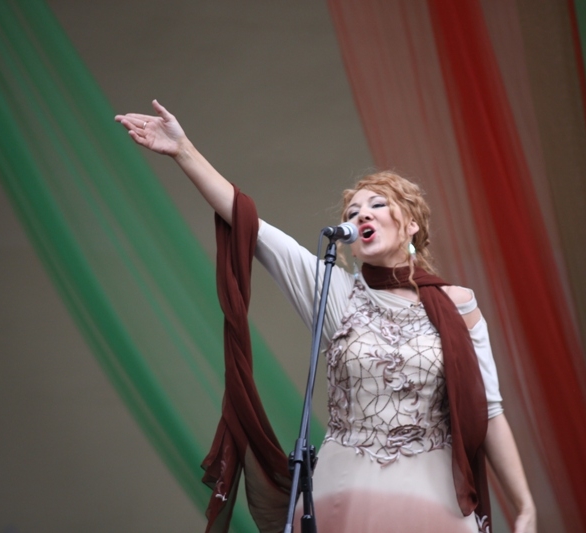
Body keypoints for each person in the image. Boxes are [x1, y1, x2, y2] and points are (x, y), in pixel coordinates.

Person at [115, 100, 536, 533]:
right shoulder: (337, 293)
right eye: (352, 213)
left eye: (377, 205)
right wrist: (183, 150)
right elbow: (250, 225)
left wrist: (524, 506)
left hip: (429, 501)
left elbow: (488, 410)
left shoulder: (456, 305)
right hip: (343, 492)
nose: (361, 214)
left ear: (412, 224)